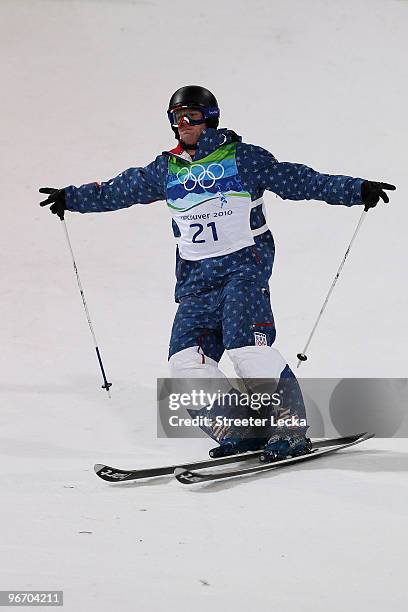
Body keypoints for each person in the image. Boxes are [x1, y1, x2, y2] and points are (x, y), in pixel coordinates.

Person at [39, 85, 395, 462]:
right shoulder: (167, 169)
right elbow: (117, 190)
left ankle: (290, 428)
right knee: (185, 363)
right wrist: (71, 198)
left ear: (210, 118)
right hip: (196, 282)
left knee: (246, 349)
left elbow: (299, 180)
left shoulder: (243, 158)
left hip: (242, 269)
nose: (183, 123)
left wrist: (355, 189)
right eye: (176, 117)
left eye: (190, 115)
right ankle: (242, 430)